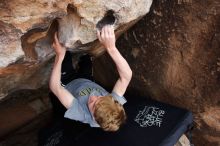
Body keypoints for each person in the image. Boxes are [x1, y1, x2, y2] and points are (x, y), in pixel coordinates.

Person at [49, 25, 132, 132]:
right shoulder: (112, 105)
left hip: (68, 82)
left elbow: (56, 88)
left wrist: (59, 56)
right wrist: (111, 48)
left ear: (94, 118)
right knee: (87, 59)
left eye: (92, 105)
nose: (93, 97)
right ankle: (84, 56)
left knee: (65, 54)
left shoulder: (81, 114)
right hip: (86, 80)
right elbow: (126, 76)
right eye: (100, 98)